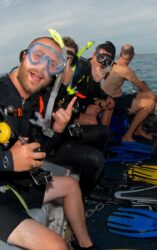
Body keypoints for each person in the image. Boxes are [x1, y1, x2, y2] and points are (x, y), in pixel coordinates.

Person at [0, 36, 97, 250]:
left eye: (52, 64)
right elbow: (11, 159)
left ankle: (86, 245)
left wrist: (58, 131)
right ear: (24, 56)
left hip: (16, 183)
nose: (42, 68)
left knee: (71, 186)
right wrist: (7, 160)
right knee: (56, 245)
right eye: (38, 56)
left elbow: (40, 151)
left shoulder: (32, 103)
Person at [47, 37, 111, 197]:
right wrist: (62, 84)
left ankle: (94, 177)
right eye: (63, 56)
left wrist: (97, 83)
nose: (66, 62)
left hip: (64, 134)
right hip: (49, 145)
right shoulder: (44, 80)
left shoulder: (71, 77)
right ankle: (85, 193)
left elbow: (78, 97)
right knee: (94, 157)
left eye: (71, 58)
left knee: (104, 132)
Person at [101, 43, 157, 142]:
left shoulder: (114, 63)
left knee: (150, 95)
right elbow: (142, 87)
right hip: (114, 102)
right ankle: (128, 135)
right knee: (150, 103)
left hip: (110, 98)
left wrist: (151, 95)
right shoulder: (125, 69)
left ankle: (138, 129)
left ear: (120, 53)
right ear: (133, 55)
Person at [72, 41, 116, 126]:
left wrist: (106, 97)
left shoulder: (94, 70)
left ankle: (104, 130)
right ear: (93, 55)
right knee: (92, 121)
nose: (102, 62)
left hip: (84, 102)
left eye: (108, 61)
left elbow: (96, 89)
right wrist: (84, 109)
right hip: (71, 107)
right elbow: (65, 94)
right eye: (101, 57)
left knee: (109, 104)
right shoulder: (81, 68)